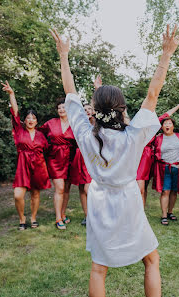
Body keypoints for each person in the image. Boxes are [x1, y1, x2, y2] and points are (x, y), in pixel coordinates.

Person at [51, 24, 179, 297]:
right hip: (128, 200)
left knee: (99, 267)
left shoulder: (85, 135)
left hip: (99, 201)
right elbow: (153, 94)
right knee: (151, 259)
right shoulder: (133, 136)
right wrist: (166, 55)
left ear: (94, 110)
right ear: (121, 109)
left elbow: (70, 93)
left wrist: (64, 55)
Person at [2, 81, 51, 230]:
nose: (30, 120)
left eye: (33, 118)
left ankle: (33, 218)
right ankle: (22, 218)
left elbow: (48, 151)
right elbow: (15, 112)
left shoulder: (41, 135)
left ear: (37, 121)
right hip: (23, 166)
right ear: (25, 121)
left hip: (38, 166)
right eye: (28, 118)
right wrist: (12, 94)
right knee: (18, 195)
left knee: (35, 194)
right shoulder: (19, 130)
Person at [39, 98, 76, 230]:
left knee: (66, 189)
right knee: (59, 188)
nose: (61, 110)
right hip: (55, 158)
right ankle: (58, 218)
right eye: (59, 108)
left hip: (70, 158)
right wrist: (45, 147)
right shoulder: (51, 123)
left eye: (64, 107)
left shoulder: (74, 123)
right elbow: (38, 134)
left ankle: (63, 213)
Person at [70, 76, 101, 226]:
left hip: (93, 157)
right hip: (79, 158)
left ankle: (97, 215)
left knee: (90, 188)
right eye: (85, 109)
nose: (87, 111)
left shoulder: (98, 123)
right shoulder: (78, 125)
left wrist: (97, 90)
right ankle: (87, 216)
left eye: (89, 109)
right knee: (82, 188)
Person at [152, 97, 179, 225]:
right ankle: (164, 214)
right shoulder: (158, 138)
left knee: (174, 191)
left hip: (178, 167)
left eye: (169, 123)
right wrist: (178, 106)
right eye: (165, 124)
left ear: (173, 125)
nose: (167, 125)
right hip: (164, 167)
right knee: (165, 190)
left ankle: (171, 211)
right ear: (161, 127)